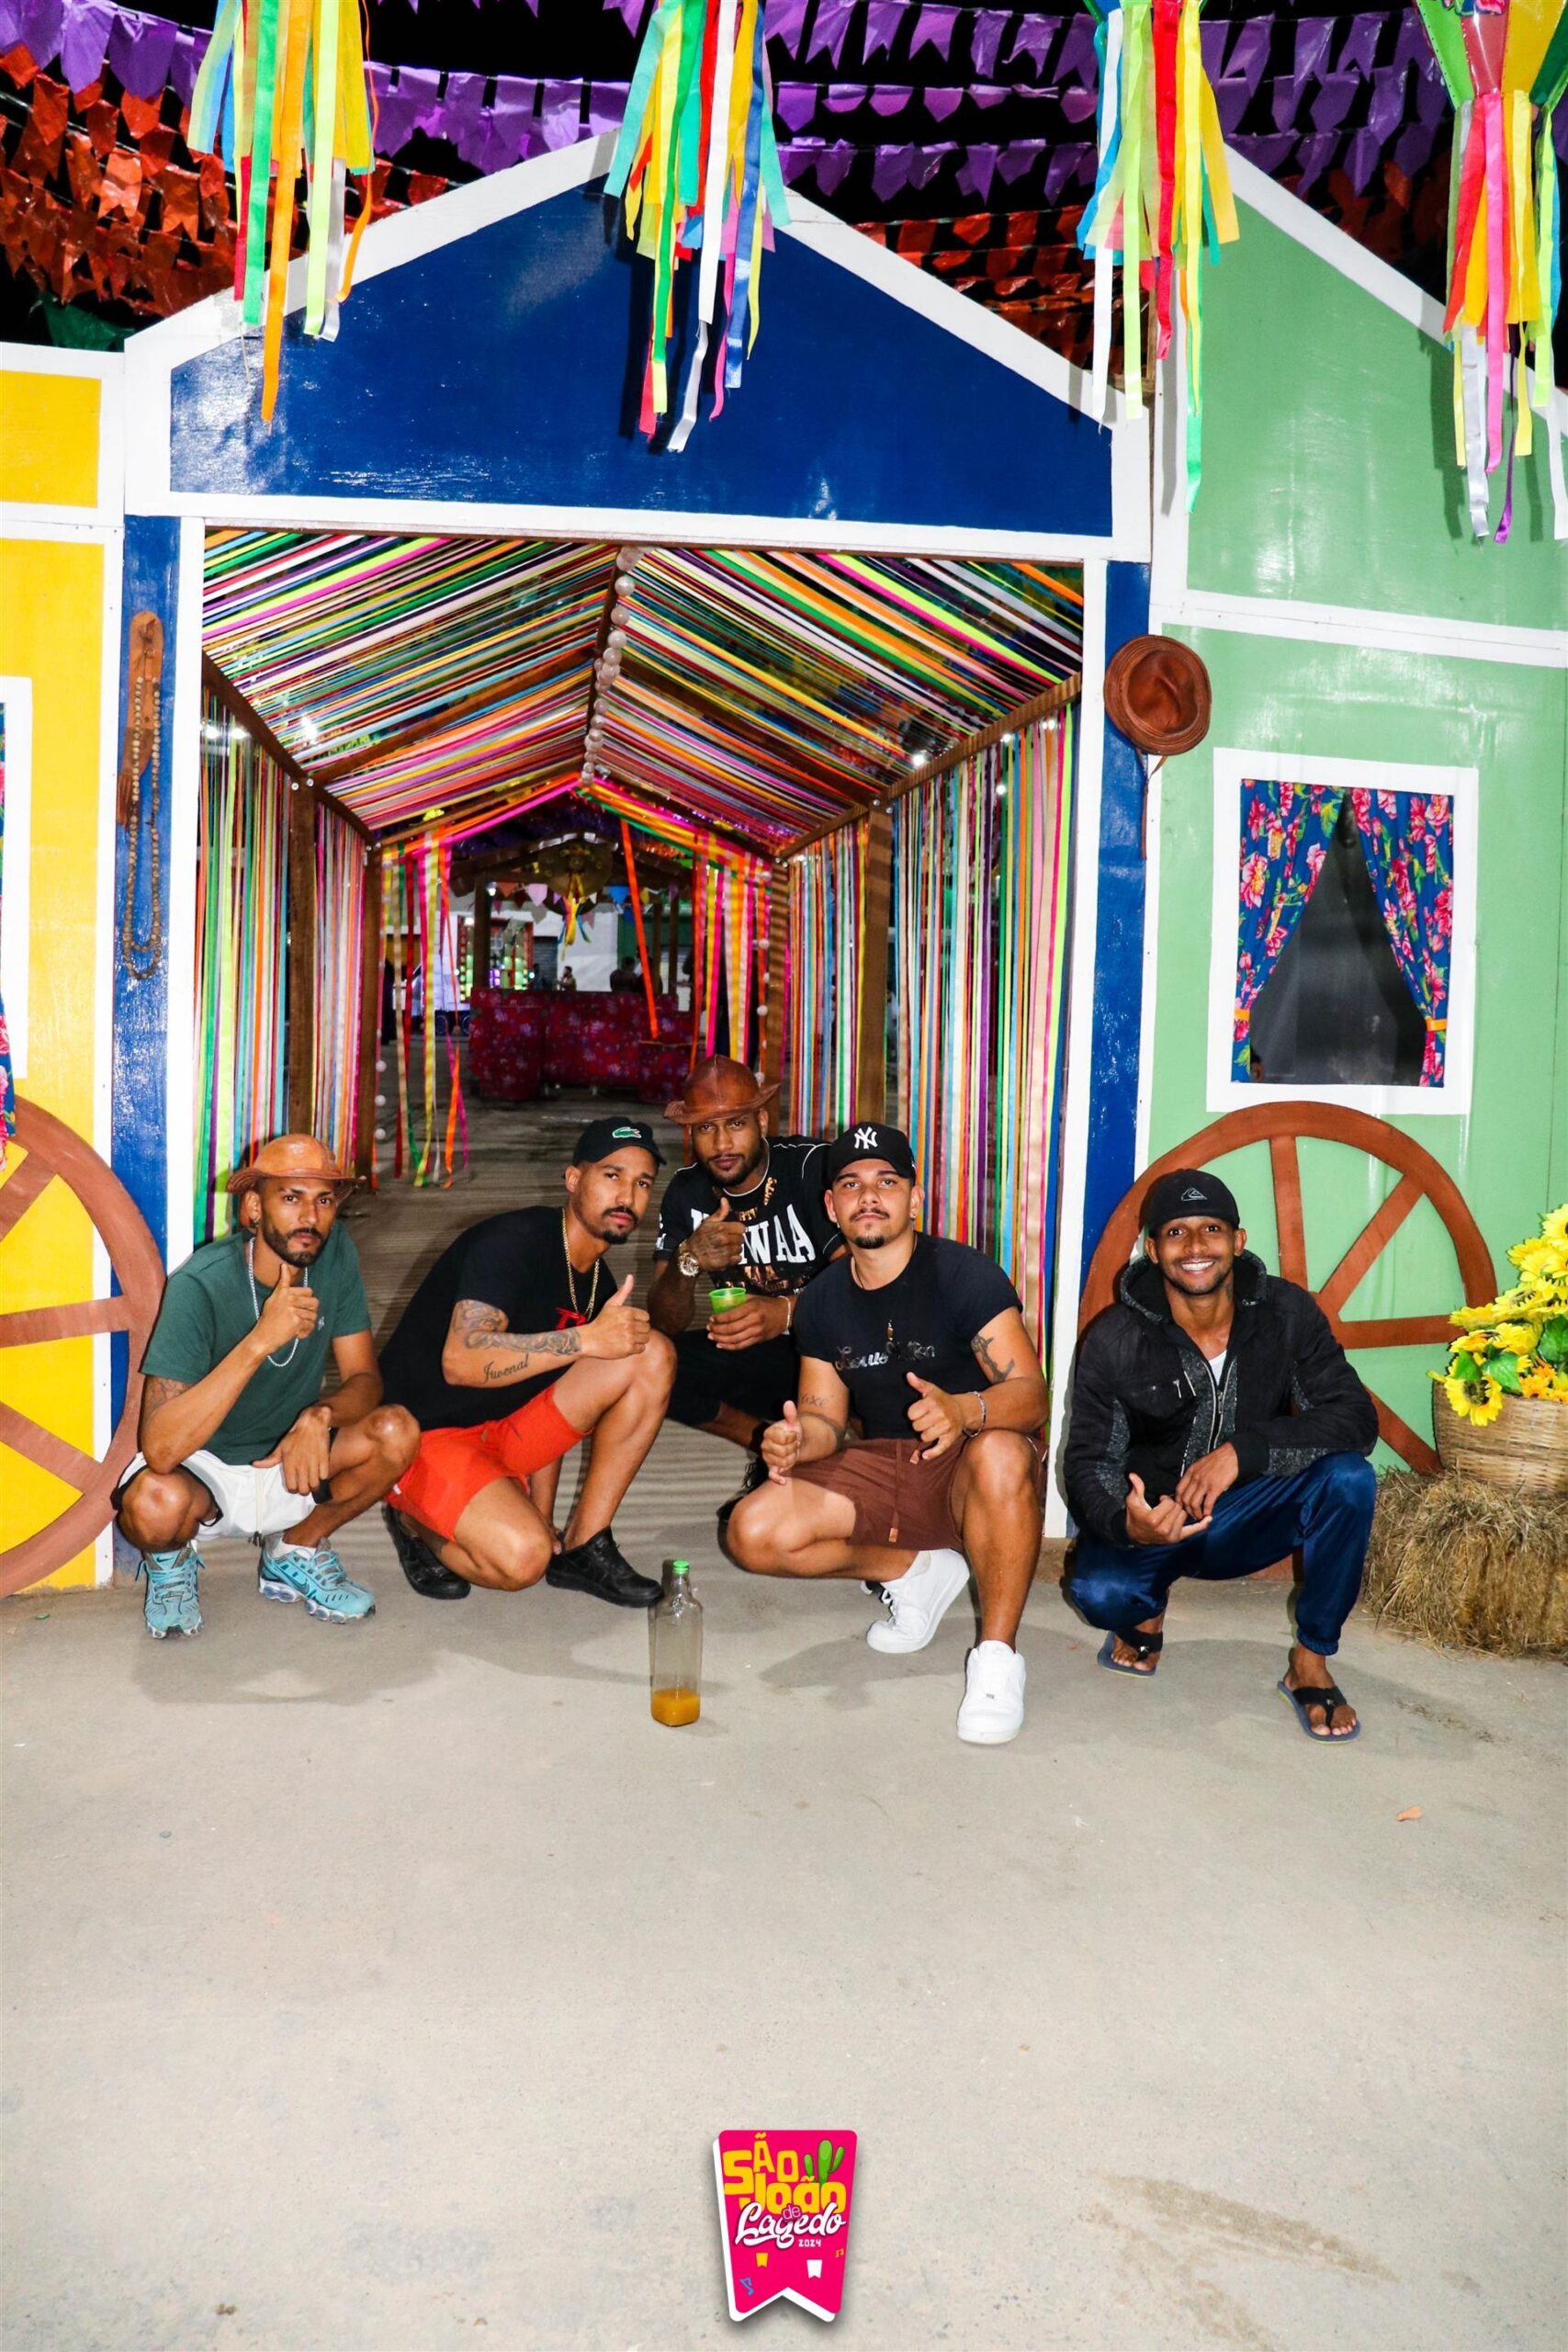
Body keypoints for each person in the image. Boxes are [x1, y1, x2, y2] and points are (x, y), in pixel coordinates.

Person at [726, 1124, 1049, 1746]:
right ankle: (913, 1572)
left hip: (970, 1467)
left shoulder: (963, 1273)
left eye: (886, 1182)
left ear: (914, 1198)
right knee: (753, 1531)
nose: (868, 1196)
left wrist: (964, 1410)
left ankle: (997, 1657)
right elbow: (825, 1419)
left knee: (1003, 1453)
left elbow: (1031, 1395)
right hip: (886, 1463)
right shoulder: (821, 1299)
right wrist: (793, 1440)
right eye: (850, 1184)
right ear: (831, 1206)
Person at [1061, 1167, 1378, 1739]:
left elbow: (1355, 1418)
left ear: (1238, 1240)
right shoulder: (1113, 1339)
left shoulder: (1286, 1314)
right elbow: (1088, 1462)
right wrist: (1128, 1525)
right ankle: (1146, 1608)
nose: (1195, 1247)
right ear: (1152, 1250)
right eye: (1176, 1232)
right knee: (1101, 1594)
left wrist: (1243, 1452)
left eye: (1210, 1228)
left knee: (1350, 1479)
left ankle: (1310, 1661)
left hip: (1249, 1515)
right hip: (1159, 1522)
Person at [116, 1135, 419, 1639]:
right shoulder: (200, 1285)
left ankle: (295, 1549)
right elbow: (161, 1449)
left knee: (397, 1432)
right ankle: (170, 1564)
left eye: (324, 1200)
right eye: (291, 1197)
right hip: (206, 1470)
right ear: (255, 1208)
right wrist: (260, 1340)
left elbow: (365, 1380)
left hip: (290, 1460)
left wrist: (319, 1416)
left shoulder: (335, 1256)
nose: (310, 1217)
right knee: (151, 1505)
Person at [378, 1119, 674, 1605]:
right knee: (522, 1561)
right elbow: (461, 1362)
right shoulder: (512, 1241)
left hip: (505, 1428)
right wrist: (585, 1339)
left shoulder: (597, 1281)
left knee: (650, 1352)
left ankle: (584, 1545)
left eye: (643, 1183)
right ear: (573, 1179)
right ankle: (411, 1520)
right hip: (428, 1434)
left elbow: (546, 1390)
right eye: (612, 1175)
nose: (627, 1196)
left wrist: (542, 1513)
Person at [649, 1056, 840, 1522]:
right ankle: (773, 1449)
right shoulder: (687, 1193)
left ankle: (842, 1461)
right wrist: (689, 1258)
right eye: (705, 1128)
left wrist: (787, 1312)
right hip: (759, 1357)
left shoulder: (811, 1169)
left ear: (762, 1122)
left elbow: (867, 1280)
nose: (721, 1144)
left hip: (836, 1352)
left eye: (735, 1124)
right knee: (648, 1361)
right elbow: (664, 1321)